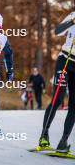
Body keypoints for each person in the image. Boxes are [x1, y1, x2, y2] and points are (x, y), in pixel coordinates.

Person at [39, 11, 75, 152]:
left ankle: (63, 142)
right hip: (65, 59)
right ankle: (44, 135)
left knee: (73, 105)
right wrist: (72, 22)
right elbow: (58, 31)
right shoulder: (73, 15)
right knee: (57, 98)